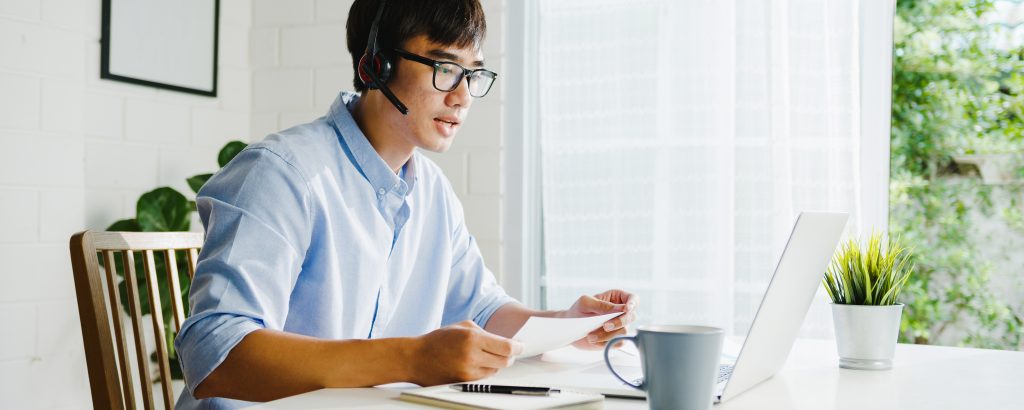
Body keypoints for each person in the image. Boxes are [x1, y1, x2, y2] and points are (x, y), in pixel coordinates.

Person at [173, 0, 637, 408]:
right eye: (445, 68)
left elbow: (481, 310)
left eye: (472, 73)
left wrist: (569, 323)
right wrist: (413, 358)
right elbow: (216, 355)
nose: (461, 96)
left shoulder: (432, 190)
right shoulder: (280, 173)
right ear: (376, 65)